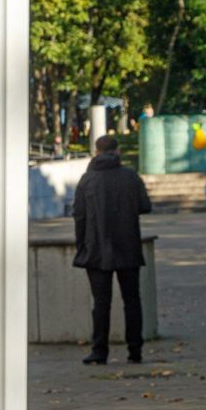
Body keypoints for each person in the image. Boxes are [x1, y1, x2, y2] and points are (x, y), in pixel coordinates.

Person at [73, 135, 152, 365]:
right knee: (132, 300)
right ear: (117, 151)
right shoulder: (130, 176)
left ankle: (99, 351)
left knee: (101, 303)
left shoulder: (87, 179)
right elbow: (145, 206)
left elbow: (79, 216)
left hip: (96, 249)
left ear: (96, 152)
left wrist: (82, 247)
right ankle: (135, 351)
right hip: (128, 246)